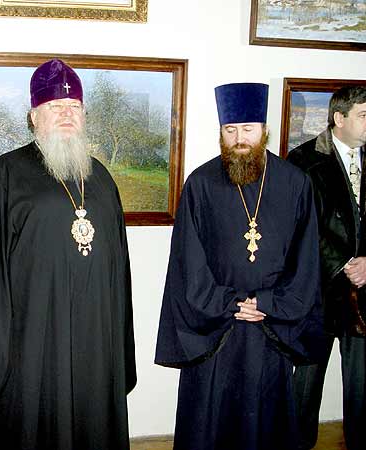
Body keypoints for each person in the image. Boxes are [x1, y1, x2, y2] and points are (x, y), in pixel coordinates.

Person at [0, 58, 136, 450]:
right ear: (34, 117)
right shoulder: (4, 176)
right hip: (32, 345)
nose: (67, 114)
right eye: (55, 106)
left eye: (74, 106)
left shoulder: (101, 179)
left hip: (95, 344)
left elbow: (121, 276)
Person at [155, 82, 325, 450]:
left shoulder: (295, 184)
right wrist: (228, 302)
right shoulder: (201, 183)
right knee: (209, 421)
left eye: (248, 129)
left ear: (264, 130)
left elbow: (306, 260)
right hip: (217, 327)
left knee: (265, 424)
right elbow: (187, 261)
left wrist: (269, 302)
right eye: (230, 130)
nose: (239, 139)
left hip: (270, 327)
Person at [287, 85, 366, 450]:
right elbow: (298, 227)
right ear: (339, 118)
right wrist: (343, 263)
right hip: (317, 294)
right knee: (305, 385)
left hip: (363, 296)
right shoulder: (303, 160)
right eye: (363, 115)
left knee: (362, 386)